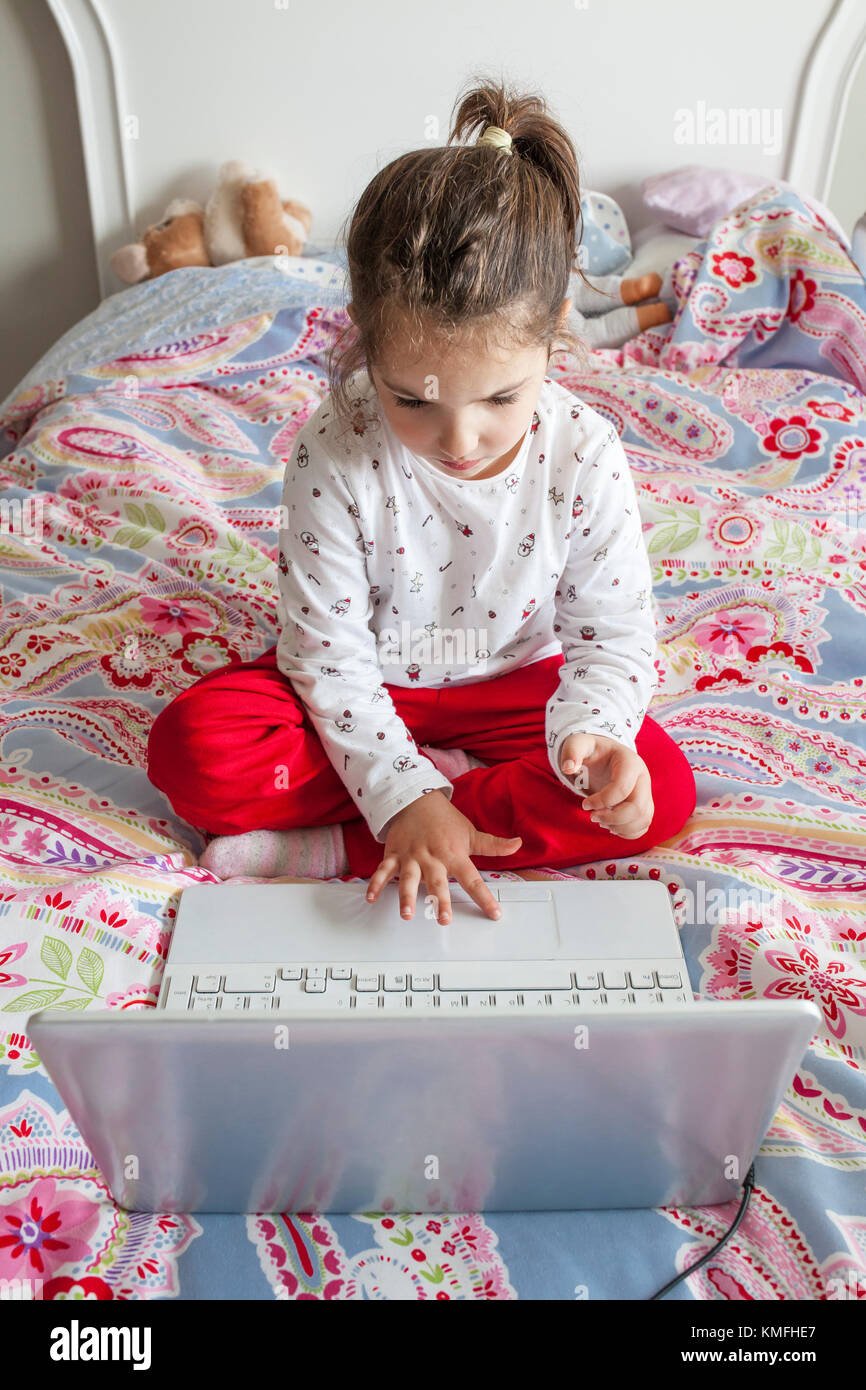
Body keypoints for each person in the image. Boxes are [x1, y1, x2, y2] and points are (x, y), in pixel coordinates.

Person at [146, 77, 696, 927]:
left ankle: (339, 847)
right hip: (371, 681)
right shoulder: (335, 445)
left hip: (519, 686)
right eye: (413, 400)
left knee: (658, 795)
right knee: (195, 751)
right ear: (364, 336)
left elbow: (613, 637)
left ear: (556, 328)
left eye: (500, 400)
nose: (461, 440)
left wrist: (595, 736)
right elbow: (326, 659)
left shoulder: (584, 455)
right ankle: (419, 811)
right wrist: (403, 791)